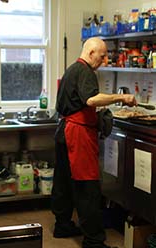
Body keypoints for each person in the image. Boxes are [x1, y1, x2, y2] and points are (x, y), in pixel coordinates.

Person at [52, 37, 137, 248]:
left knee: (63, 183)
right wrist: (121, 98)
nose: (105, 60)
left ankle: (62, 225)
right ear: (90, 53)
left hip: (64, 132)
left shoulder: (71, 69)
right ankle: (94, 241)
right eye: (102, 55)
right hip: (77, 135)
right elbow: (91, 100)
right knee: (86, 186)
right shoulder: (85, 71)